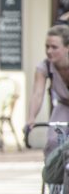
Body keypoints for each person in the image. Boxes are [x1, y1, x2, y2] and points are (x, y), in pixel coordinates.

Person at [27, 24, 69, 158]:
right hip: (64, 105)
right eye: (47, 46)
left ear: (67, 48)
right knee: (52, 141)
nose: (49, 51)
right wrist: (31, 118)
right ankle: (53, 177)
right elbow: (37, 94)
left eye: (54, 47)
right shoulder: (44, 67)